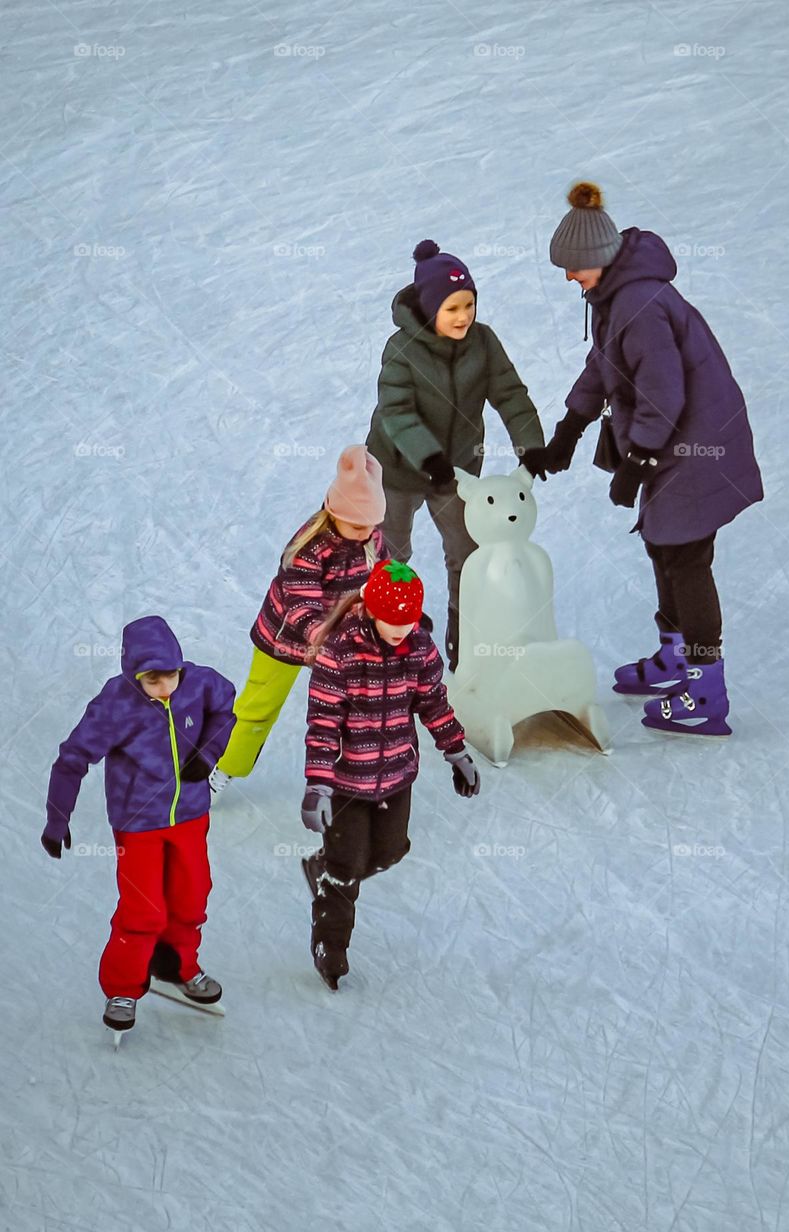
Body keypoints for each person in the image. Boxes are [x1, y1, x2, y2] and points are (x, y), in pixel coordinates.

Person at [526, 182, 763, 736]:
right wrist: (568, 431)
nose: (568, 278)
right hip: (676, 439)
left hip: (698, 442)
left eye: (573, 268)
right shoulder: (616, 296)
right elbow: (601, 366)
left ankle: (706, 690)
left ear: (597, 261)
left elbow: (664, 394)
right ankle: (676, 658)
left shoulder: (639, 303)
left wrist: (638, 463)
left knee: (685, 555)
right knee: (663, 543)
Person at [41, 615, 236, 1033]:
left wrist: (209, 751)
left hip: (190, 816)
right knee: (143, 909)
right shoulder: (115, 705)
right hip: (138, 824)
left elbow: (226, 708)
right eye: (152, 680)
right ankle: (123, 987)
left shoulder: (200, 683)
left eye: (170, 677)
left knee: (191, 897)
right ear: (134, 675)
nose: (164, 688)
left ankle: (178, 966)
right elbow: (73, 759)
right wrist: (58, 818)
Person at [299, 558, 480, 990]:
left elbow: (433, 703)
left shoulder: (419, 648)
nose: (402, 628)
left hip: (397, 774)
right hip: (346, 783)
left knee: (389, 852)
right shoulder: (340, 653)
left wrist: (456, 752)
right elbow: (323, 723)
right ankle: (331, 946)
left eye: (409, 620)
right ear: (371, 610)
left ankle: (321, 868)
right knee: (346, 871)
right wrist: (318, 786)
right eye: (393, 620)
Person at [366, 239, 545, 672]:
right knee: (392, 557)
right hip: (399, 470)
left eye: (469, 304)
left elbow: (510, 394)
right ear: (430, 310)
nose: (463, 316)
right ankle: (385, 641)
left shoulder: (483, 343)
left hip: (459, 473)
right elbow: (396, 410)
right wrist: (427, 457)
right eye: (452, 308)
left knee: (468, 558)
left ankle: (466, 643)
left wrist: (532, 445)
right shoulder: (401, 349)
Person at [209, 446, 388, 795]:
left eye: (372, 524)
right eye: (357, 524)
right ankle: (223, 769)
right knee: (259, 709)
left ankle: (351, 773)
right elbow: (301, 603)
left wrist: (395, 604)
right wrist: (324, 637)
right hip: (283, 639)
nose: (367, 531)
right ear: (334, 512)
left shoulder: (371, 538)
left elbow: (380, 578)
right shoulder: (310, 547)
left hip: (337, 640)